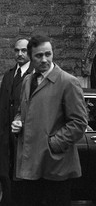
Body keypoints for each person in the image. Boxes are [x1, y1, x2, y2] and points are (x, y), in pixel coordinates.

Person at [12, 35, 88, 206]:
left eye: (48, 54)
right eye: (39, 56)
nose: (44, 59)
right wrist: (18, 122)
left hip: (56, 165)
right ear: (31, 57)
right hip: (31, 164)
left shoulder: (68, 82)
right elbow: (21, 111)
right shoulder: (27, 81)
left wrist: (53, 144)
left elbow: (79, 122)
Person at [0, 38, 33, 206]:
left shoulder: (34, 75)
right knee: (6, 180)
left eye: (24, 50)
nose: (20, 54)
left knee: (24, 184)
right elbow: (2, 106)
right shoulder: (9, 75)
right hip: (6, 138)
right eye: (17, 50)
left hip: (24, 138)